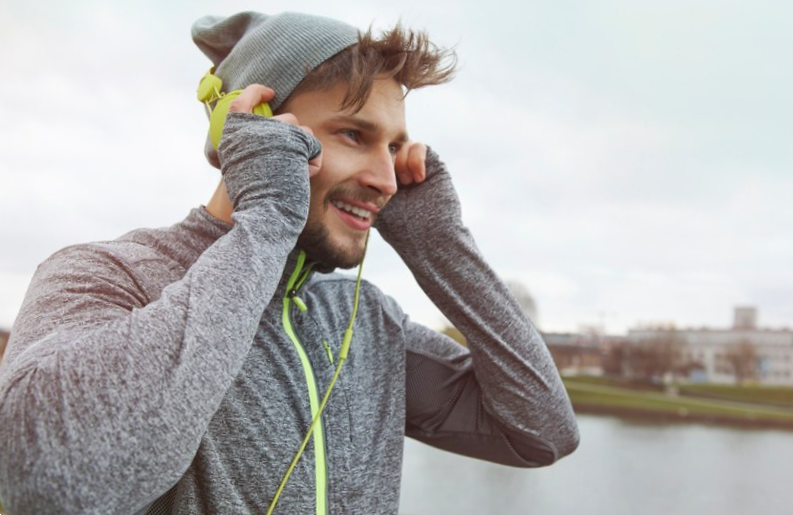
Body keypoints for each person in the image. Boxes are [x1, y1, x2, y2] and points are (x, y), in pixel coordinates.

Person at [0, 11, 579, 515]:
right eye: (355, 134)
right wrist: (269, 216)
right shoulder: (106, 274)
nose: (385, 179)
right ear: (253, 127)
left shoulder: (369, 322)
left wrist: (444, 248)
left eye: (395, 148)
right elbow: (50, 481)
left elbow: (542, 433)